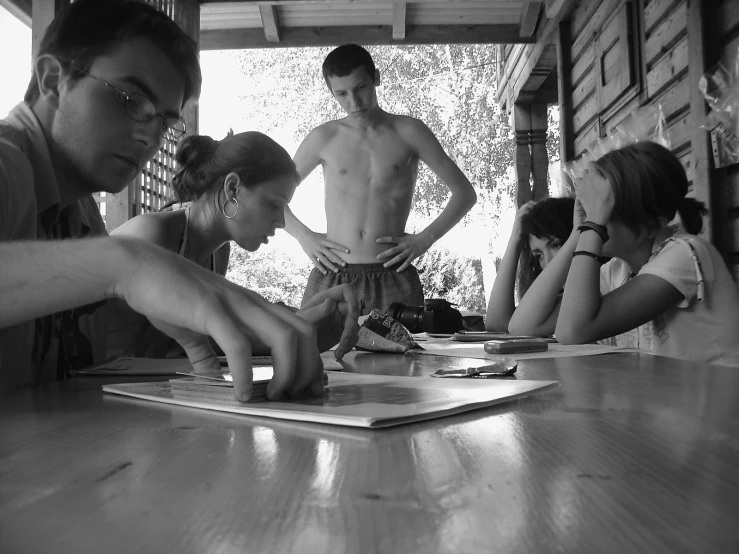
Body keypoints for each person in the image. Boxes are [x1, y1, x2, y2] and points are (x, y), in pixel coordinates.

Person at [0, 0, 358, 400]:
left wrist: (285, 326)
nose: (151, 140)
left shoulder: (77, 207)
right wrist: (126, 262)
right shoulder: (7, 165)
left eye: (166, 121)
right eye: (132, 101)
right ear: (53, 80)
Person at [108, 130, 359, 358]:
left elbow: (204, 338)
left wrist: (314, 321)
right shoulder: (152, 234)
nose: (281, 222)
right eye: (273, 204)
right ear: (233, 188)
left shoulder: (218, 252)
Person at [285, 43, 477, 315]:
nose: (354, 102)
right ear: (332, 93)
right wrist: (303, 236)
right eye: (341, 93)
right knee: (315, 354)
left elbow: (464, 194)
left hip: (393, 273)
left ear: (376, 78)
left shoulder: (409, 131)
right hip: (333, 272)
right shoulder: (323, 138)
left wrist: (425, 239)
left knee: (405, 357)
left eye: (361, 87)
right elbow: (272, 197)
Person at [509, 141, 739, 366]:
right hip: (674, 400)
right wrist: (575, 236)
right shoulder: (617, 271)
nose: (594, 221)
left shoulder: (684, 254)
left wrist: (592, 226)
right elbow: (524, 326)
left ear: (650, 226)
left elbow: (572, 331)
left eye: (604, 211)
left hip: (720, 401)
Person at [485, 197, 574, 333]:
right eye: (539, 255)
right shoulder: (565, 297)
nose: (549, 263)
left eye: (556, 245)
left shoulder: (600, 285)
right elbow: (497, 326)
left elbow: (511, 329)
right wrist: (515, 241)